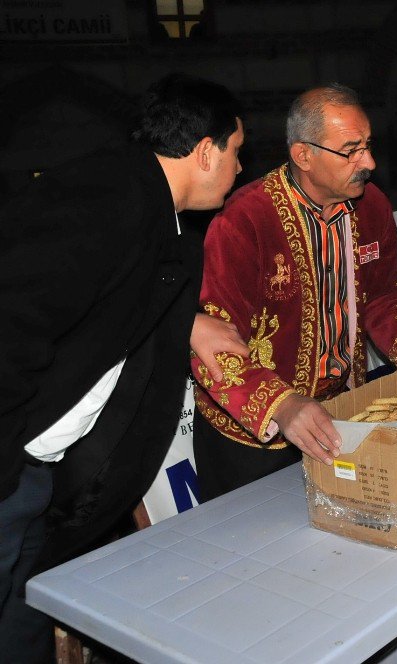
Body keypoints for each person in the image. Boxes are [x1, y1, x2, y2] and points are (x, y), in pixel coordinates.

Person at [0, 73, 248, 663]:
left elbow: (107, 295)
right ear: (206, 150)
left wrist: (188, 321)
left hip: (33, 473)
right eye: (237, 152)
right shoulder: (102, 201)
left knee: (20, 621)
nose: (241, 169)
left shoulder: (155, 209)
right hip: (7, 468)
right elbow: (13, 320)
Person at [192, 84, 397, 501]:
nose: (369, 162)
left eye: (368, 146)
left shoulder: (372, 207)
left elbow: (384, 294)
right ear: (304, 155)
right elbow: (213, 345)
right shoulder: (245, 222)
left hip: (341, 416)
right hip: (253, 438)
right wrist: (283, 407)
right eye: (351, 150)